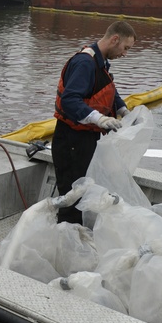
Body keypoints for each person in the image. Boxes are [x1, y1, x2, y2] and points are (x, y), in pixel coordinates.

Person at [51, 21, 137, 225]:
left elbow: (106, 88)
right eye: (125, 48)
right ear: (115, 39)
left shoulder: (100, 62)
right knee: (72, 196)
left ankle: (77, 235)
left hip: (86, 139)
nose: (125, 54)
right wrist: (99, 118)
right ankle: (66, 239)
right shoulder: (85, 63)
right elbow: (69, 100)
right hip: (71, 139)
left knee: (85, 190)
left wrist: (122, 109)